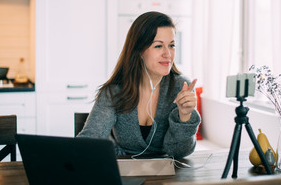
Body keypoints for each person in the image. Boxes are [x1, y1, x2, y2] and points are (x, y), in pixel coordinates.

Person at [77, 11, 201, 159]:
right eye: (158, 46)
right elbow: (91, 139)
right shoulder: (115, 91)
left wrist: (185, 116)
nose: (168, 54)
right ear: (139, 49)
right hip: (123, 167)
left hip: (166, 173)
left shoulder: (181, 87)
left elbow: (179, 152)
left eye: (172, 45)